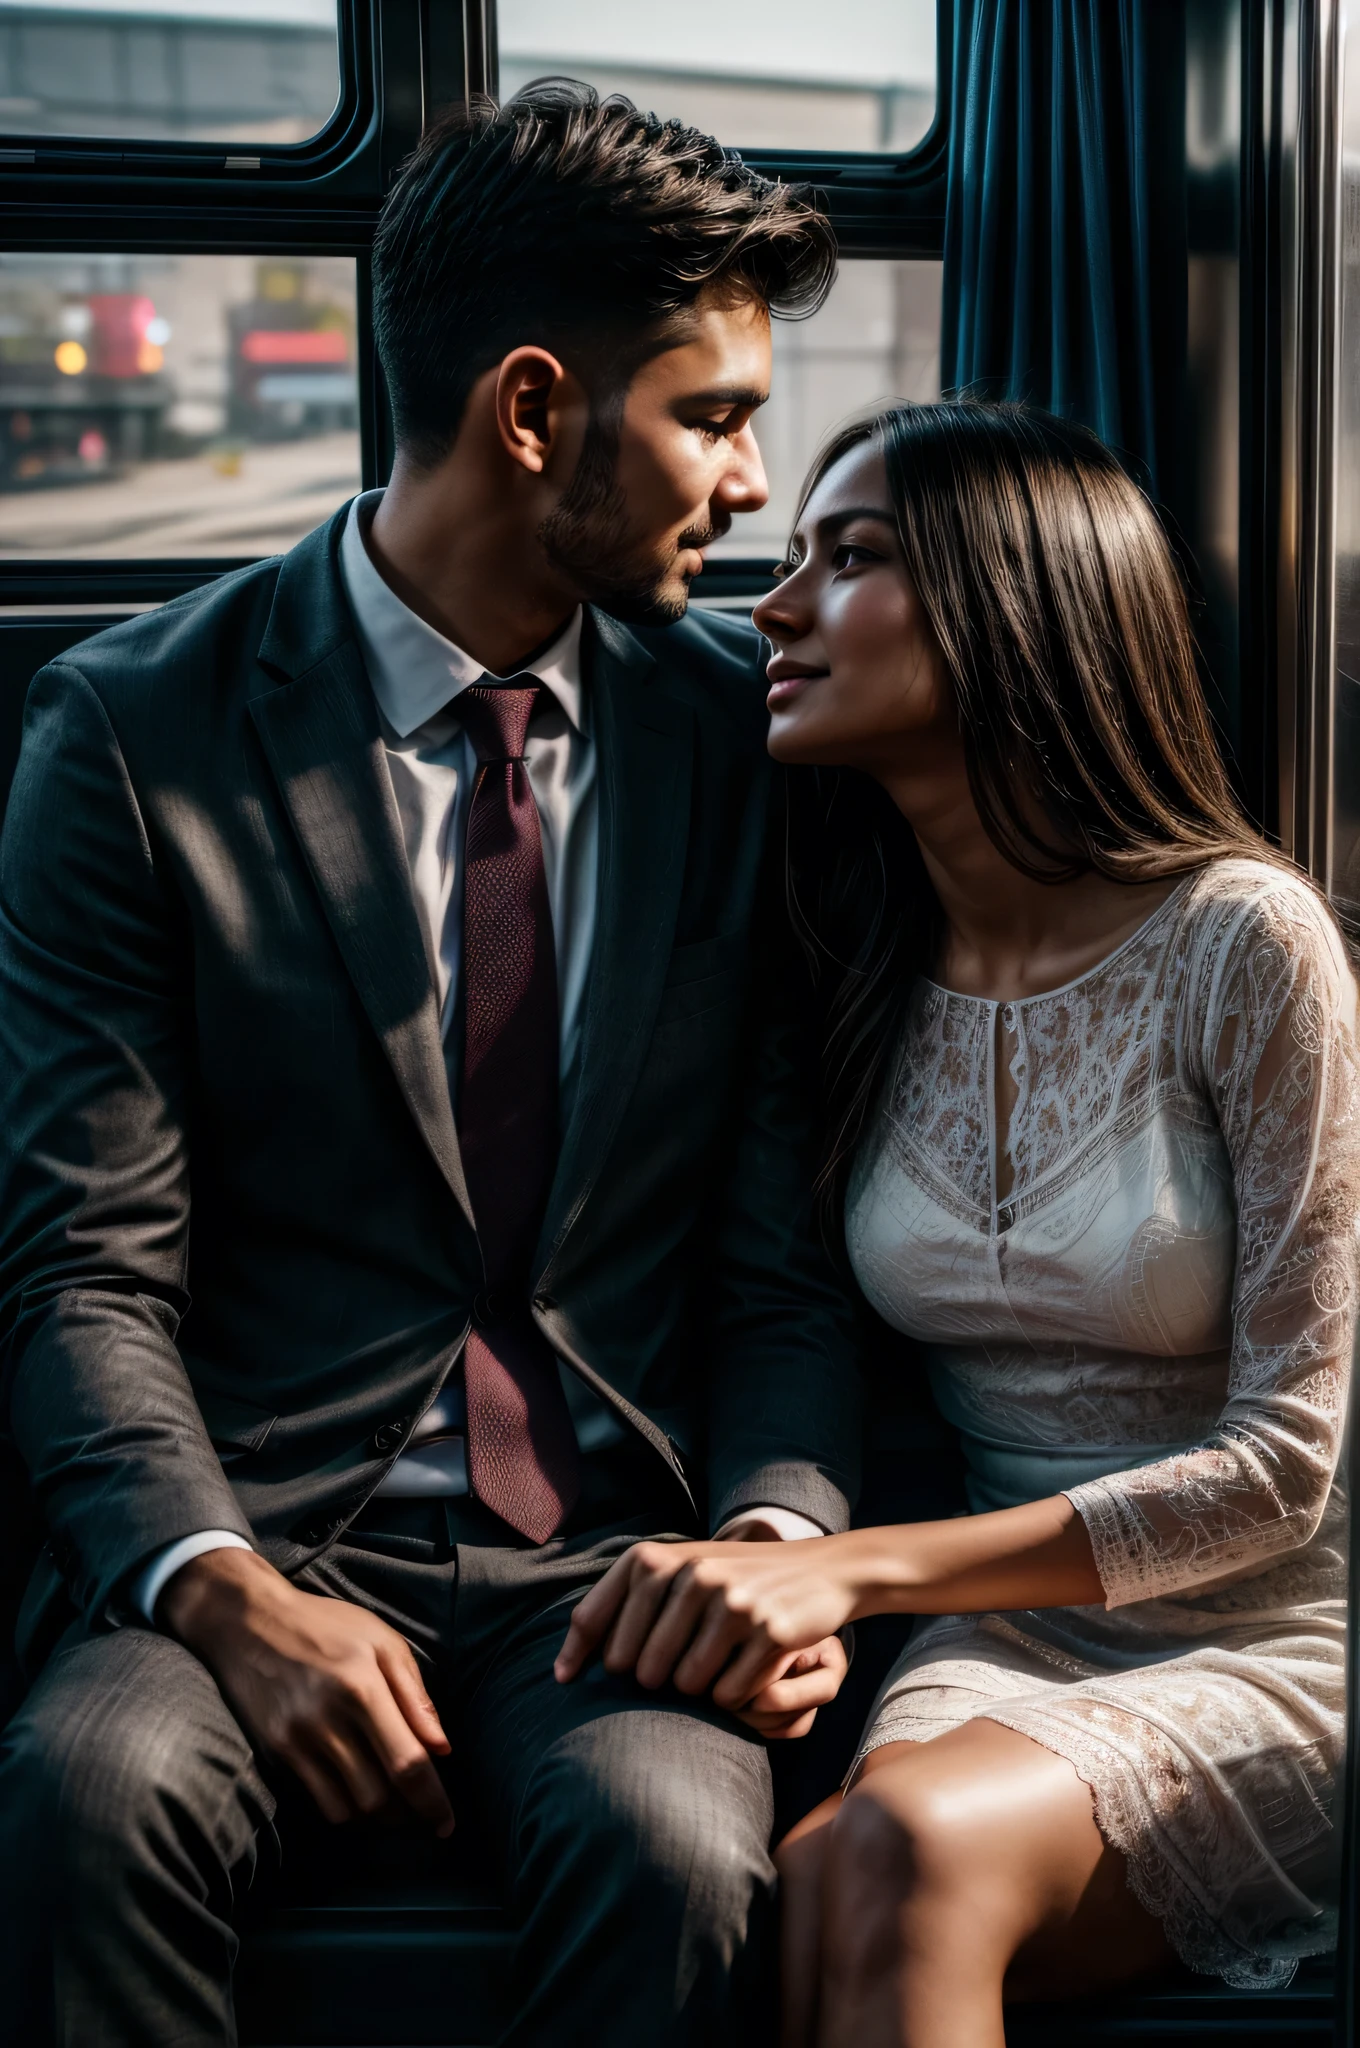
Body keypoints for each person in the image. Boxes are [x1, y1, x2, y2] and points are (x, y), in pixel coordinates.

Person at [0, 84, 864, 2047]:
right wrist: (216, 1585)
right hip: (265, 1522)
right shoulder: (136, 735)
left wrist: (774, 1543)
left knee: (674, 1847)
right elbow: (80, 1272)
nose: (751, 491)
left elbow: (776, 1256)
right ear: (534, 411)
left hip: (617, 1561)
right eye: (714, 416)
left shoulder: (744, 738)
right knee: (88, 1791)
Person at [555, 401, 1360, 2046]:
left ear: (1015, 601)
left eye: (847, 561)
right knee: (831, 1872)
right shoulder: (852, 966)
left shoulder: (1247, 945)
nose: (771, 608)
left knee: (904, 1853)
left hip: (1283, 1626)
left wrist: (849, 1578)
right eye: (788, 563)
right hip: (1004, 1636)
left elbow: (1290, 1468)